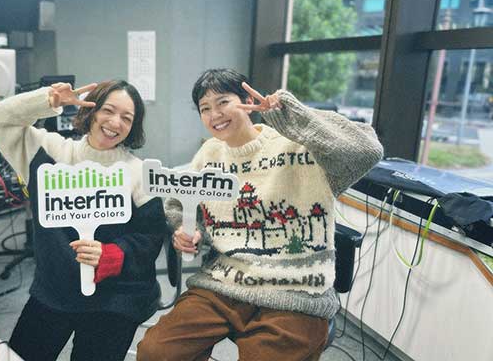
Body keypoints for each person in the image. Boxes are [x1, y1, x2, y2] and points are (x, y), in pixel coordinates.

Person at [137, 69, 383, 361]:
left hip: (296, 291)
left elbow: (367, 151)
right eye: (205, 108)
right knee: (155, 352)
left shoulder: (299, 147)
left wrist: (291, 114)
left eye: (223, 102)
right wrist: (186, 229)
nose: (215, 114)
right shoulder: (209, 154)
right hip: (223, 283)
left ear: (247, 101)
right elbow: (179, 203)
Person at [0, 80, 167, 361]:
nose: (115, 122)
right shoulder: (47, 151)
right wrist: (47, 101)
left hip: (117, 297)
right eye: (108, 110)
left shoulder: (138, 172)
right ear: (91, 111)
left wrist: (112, 255)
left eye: (127, 118)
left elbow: (151, 237)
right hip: (54, 289)